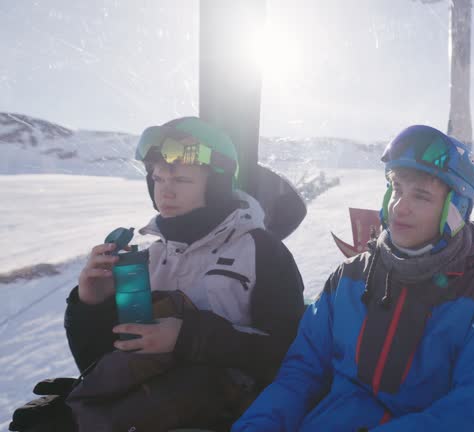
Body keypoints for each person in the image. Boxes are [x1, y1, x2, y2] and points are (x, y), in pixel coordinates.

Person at [232, 125, 474, 431]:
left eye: (421, 196)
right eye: (397, 189)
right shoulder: (350, 278)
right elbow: (301, 373)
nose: (400, 206)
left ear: (456, 210)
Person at [63, 117, 306, 430]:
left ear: (217, 184)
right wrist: (91, 304)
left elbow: (290, 356)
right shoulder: (151, 257)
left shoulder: (261, 251)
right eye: (158, 178)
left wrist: (186, 337)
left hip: (237, 415)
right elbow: (103, 363)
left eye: (180, 180)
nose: (166, 192)